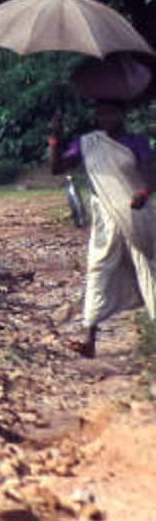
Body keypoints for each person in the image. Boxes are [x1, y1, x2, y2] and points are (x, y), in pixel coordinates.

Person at [50, 102, 156, 358]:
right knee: (99, 268)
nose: (106, 117)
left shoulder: (136, 142)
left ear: (123, 113)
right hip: (105, 217)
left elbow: (152, 175)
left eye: (112, 112)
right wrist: (55, 137)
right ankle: (89, 338)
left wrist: (143, 193)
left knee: (148, 269)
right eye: (102, 112)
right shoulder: (89, 143)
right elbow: (57, 168)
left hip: (134, 215)